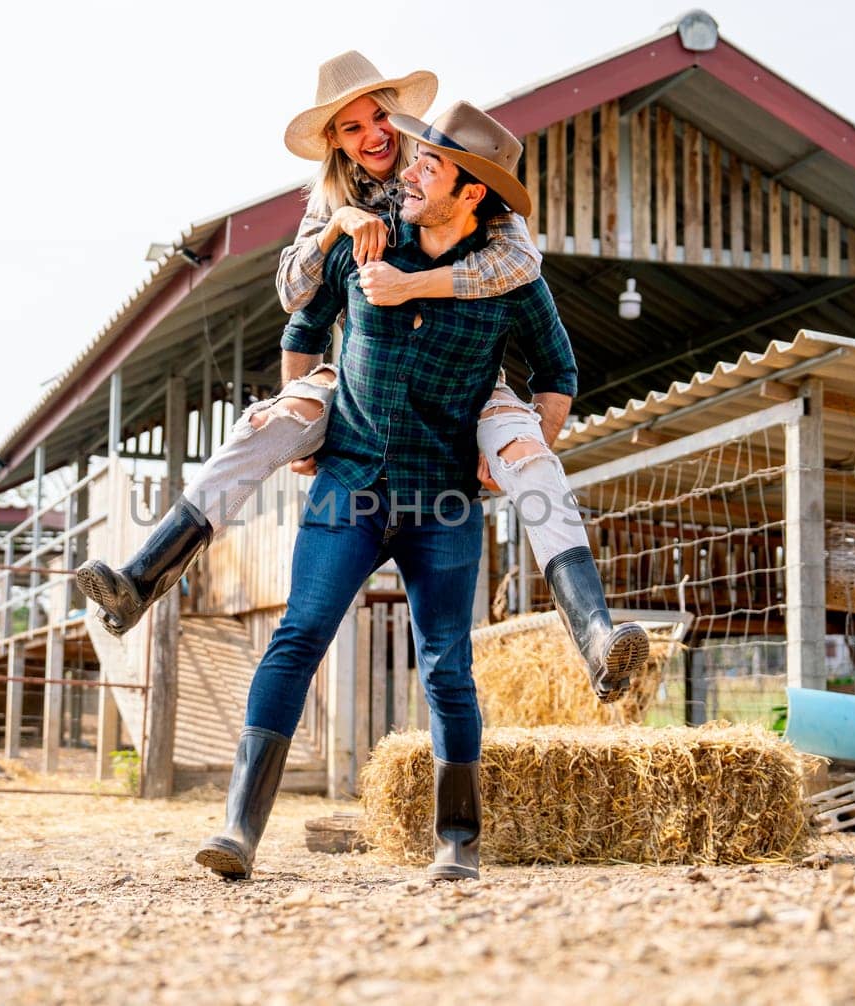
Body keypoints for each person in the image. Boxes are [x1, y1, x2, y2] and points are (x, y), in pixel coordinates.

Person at [76, 51, 647, 704]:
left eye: (380, 116)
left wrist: (414, 284)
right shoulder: (333, 209)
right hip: (367, 395)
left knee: (532, 467)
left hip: (467, 390)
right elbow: (297, 306)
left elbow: (519, 267)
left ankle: (596, 637)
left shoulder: (459, 175)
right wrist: (338, 229)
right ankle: (141, 580)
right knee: (258, 430)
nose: (373, 134)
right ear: (334, 143)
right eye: (352, 127)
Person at [197, 101, 601, 883]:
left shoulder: (501, 263)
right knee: (299, 635)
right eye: (404, 156)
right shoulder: (360, 236)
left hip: (443, 497)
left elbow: (558, 368)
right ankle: (238, 829)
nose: (402, 163)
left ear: (468, 188)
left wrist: (521, 450)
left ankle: (459, 841)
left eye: (426, 161)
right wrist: (303, 421)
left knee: (447, 664)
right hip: (349, 482)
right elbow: (300, 322)